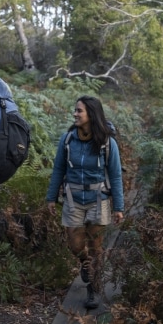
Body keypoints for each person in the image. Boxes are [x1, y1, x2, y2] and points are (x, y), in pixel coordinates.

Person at [45, 95, 124, 309]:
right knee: (76, 245)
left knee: (96, 247)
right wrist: (51, 197)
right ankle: (85, 264)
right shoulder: (68, 139)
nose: (75, 114)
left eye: (79, 111)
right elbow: (59, 169)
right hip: (73, 199)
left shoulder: (107, 142)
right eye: (75, 110)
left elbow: (116, 175)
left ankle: (94, 288)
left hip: (99, 199)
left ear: (91, 114)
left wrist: (119, 206)